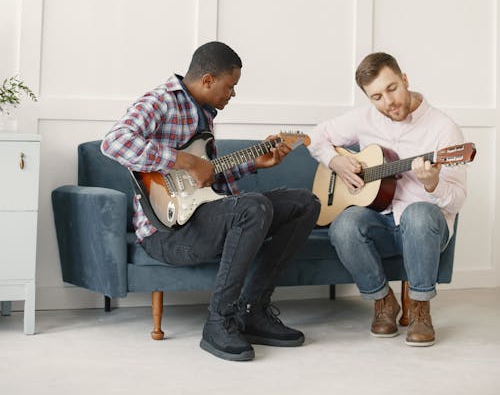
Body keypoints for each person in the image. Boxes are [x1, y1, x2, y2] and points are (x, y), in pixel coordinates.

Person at [101, 41, 320, 361]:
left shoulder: (203, 114)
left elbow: (205, 182)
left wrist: (254, 163)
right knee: (253, 206)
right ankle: (219, 321)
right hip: (166, 233)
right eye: (230, 86)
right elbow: (114, 143)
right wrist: (182, 161)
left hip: (200, 216)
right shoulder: (160, 101)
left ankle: (253, 311)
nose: (232, 94)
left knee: (305, 203)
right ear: (207, 80)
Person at [309, 51, 467, 347]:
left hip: (427, 229)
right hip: (381, 221)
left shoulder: (443, 129)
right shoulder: (364, 118)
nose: (388, 102)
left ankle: (420, 309)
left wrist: (433, 186)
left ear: (405, 80)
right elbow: (316, 136)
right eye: (377, 97)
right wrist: (335, 161)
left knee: (417, 214)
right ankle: (383, 302)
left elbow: (457, 201)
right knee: (344, 225)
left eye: (392, 89)